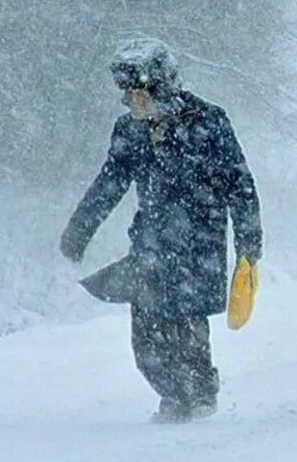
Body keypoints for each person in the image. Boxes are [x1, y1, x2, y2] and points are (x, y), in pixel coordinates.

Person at [60, 38, 262, 423]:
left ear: (162, 87)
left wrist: (249, 245)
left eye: (139, 92)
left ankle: (200, 395)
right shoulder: (129, 131)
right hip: (149, 246)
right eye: (127, 94)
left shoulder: (209, 123)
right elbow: (110, 183)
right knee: (147, 339)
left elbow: (241, 186)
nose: (131, 101)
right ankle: (173, 396)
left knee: (185, 327)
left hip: (198, 246)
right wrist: (79, 229)